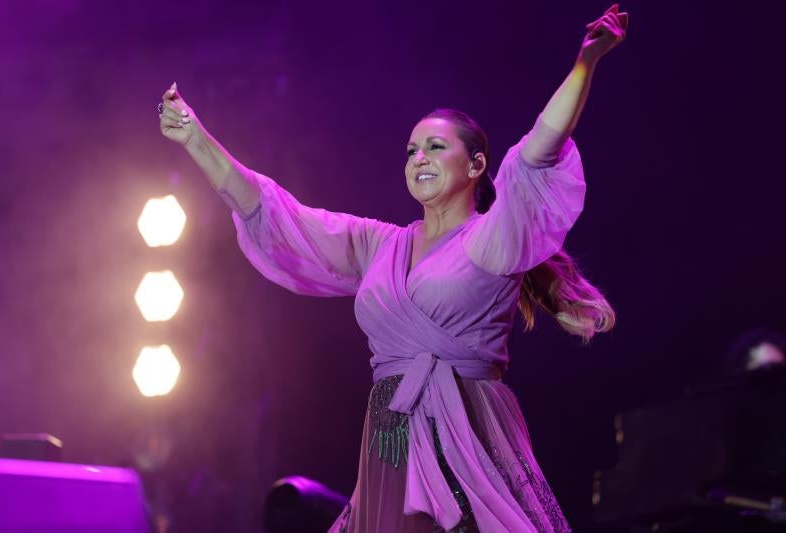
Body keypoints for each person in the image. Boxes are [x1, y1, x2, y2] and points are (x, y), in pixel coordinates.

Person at [158, 4, 627, 531]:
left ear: (475, 165)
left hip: (466, 428)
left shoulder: (495, 236)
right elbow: (277, 212)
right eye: (410, 151)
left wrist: (586, 63)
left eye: (434, 146)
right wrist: (196, 138)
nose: (418, 158)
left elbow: (537, 152)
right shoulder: (379, 245)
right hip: (390, 426)